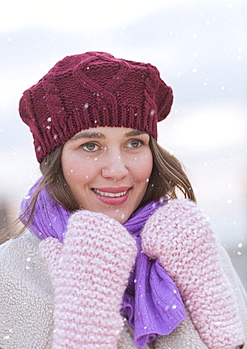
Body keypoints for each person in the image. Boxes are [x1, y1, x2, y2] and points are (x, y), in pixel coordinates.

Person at [0, 51, 246, 349]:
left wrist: (205, 291)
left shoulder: (195, 250)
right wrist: (89, 314)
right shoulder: (12, 274)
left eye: (134, 143)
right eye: (91, 145)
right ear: (56, 162)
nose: (117, 170)